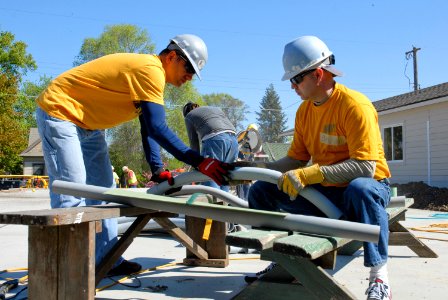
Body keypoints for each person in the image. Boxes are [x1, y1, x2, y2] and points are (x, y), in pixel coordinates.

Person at [36, 33, 234, 277]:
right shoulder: (150, 70)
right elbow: (158, 128)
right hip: (60, 112)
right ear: (172, 56)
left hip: (90, 125)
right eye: (189, 68)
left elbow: (148, 127)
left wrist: (157, 168)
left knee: (105, 191)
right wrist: (200, 161)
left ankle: (108, 261)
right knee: (72, 192)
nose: (190, 77)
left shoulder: (151, 78)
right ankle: (67, 272)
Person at [236, 36, 392, 300]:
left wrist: (310, 174)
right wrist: (257, 168)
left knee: (360, 189)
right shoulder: (304, 112)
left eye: (296, 79)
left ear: (318, 74)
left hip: (367, 189)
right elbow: (296, 159)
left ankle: (379, 277)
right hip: (327, 192)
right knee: (263, 190)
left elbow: (365, 167)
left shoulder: (355, 106)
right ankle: (287, 260)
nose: (293, 87)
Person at [183, 102, 239, 192]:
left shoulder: (189, 116)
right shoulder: (214, 109)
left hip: (215, 140)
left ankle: (214, 203)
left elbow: (194, 142)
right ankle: (224, 203)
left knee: (209, 175)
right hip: (234, 140)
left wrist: (197, 163)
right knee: (224, 176)